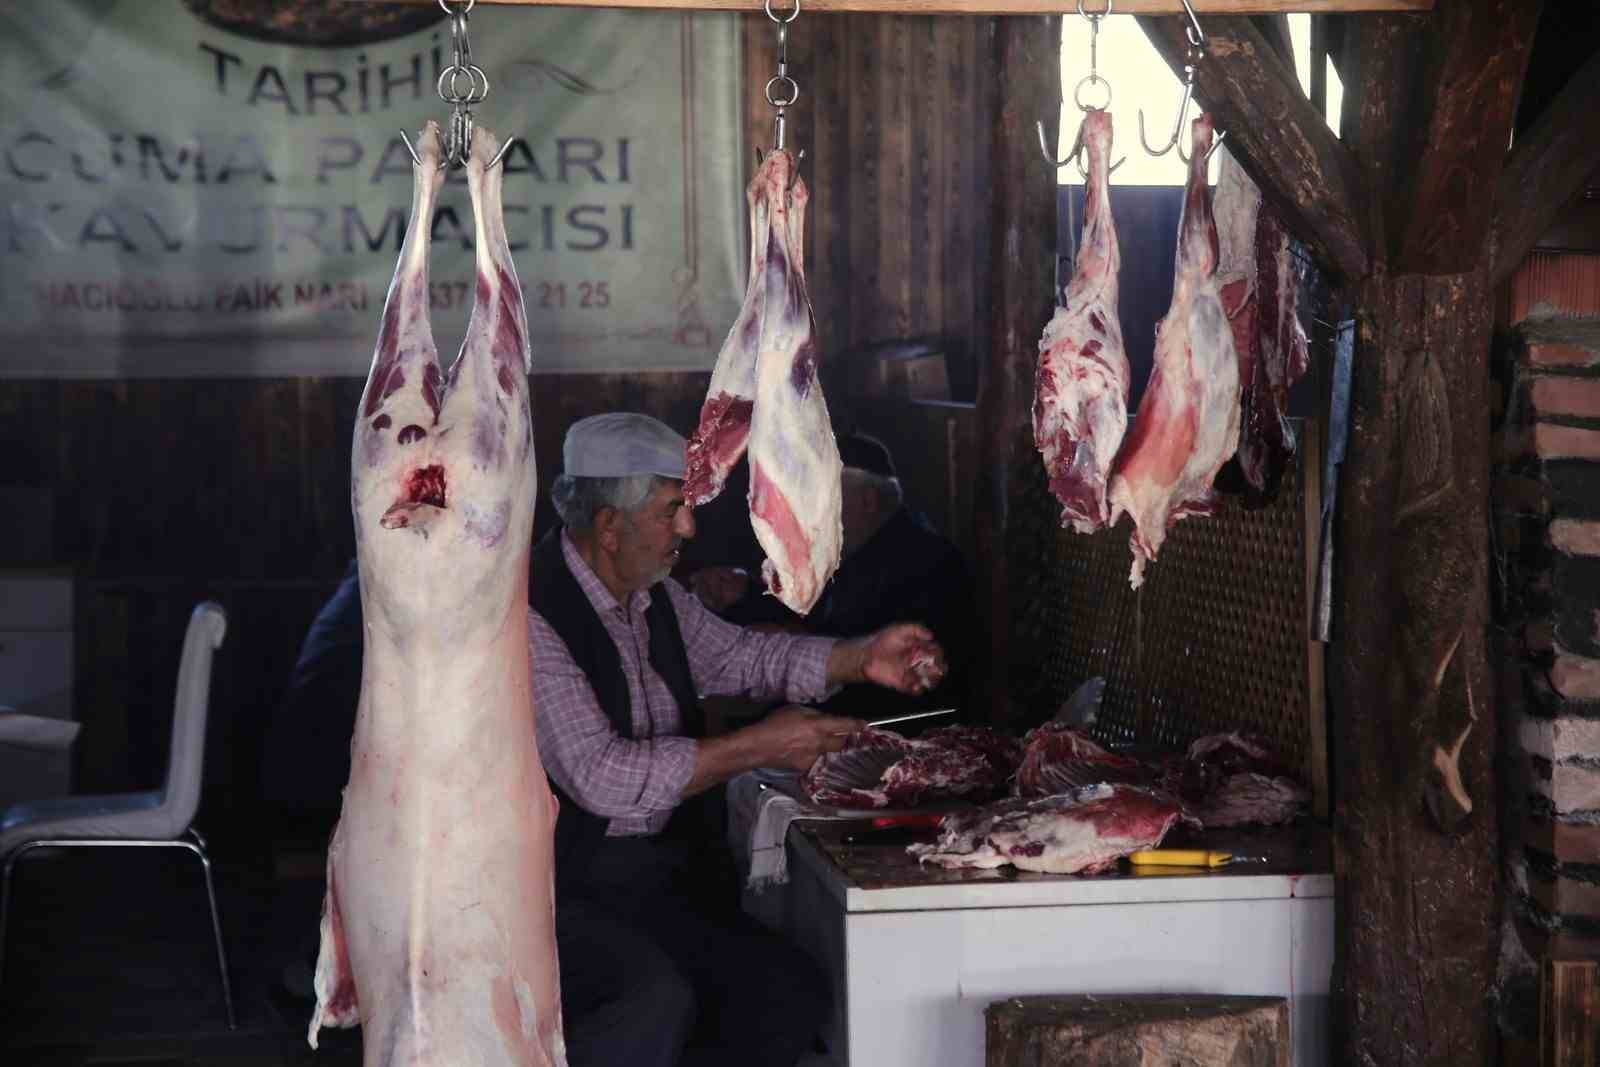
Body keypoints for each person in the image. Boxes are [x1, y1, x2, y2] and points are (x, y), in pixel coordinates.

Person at [533, 412, 947, 1067]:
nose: (689, 530)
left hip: (655, 877)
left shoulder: (654, 599)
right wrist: (759, 746)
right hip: (556, 889)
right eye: (674, 510)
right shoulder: (534, 617)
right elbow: (600, 775)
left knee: (786, 993)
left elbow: (743, 658)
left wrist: (862, 656)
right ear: (609, 526)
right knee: (652, 999)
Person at [690, 432, 975, 724]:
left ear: (868, 500)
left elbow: (884, 669)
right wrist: (746, 592)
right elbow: (817, 615)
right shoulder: (853, 546)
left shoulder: (927, 563)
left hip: (899, 728)